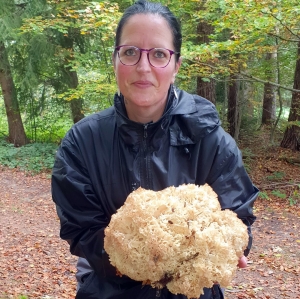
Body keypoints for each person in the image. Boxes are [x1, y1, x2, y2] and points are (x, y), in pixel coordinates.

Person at [51, 1, 259, 298]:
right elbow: (81, 229)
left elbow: (238, 216)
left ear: (176, 65)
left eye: (159, 54)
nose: (143, 67)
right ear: (115, 59)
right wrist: (143, 259)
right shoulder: (81, 143)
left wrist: (226, 247)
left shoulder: (211, 140)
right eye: (130, 52)